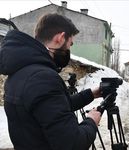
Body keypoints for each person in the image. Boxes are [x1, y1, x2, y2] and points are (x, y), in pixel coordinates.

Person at [0, 13, 102, 150]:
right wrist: (91, 121)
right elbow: (73, 144)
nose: (69, 50)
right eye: (70, 44)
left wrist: (91, 94)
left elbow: (54, 109)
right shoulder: (43, 78)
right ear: (60, 38)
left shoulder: (20, 71)